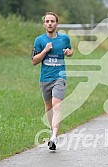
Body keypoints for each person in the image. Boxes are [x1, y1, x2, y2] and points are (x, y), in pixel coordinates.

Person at [31, 12, 73, 150]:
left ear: (56, 24)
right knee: (48, 107)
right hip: (45, 78)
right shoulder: (39, 40)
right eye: (47, 21)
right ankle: (52, 129)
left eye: (52, 21)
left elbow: (71, 51)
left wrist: (68, 52)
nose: (50, 23)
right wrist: (45, 51)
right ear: (44, 24)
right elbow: (34, 61)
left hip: (59, 77)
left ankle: (54, 136)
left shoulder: (64, 39)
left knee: (57, 105)